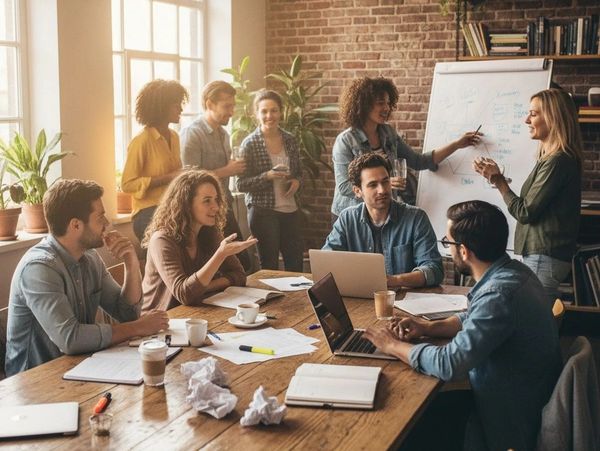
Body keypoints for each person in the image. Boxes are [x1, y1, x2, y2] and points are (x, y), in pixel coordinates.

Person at [364, 200, 562, 450]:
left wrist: (392, 346)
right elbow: (473, 318)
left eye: (448, 243)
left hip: (504, 418)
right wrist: (426, 327)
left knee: (400, 427)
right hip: (516, 396)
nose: (447, 249)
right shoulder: (516, 273)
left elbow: (450, 364)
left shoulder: (498, 295)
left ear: (465, 251)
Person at [5, 179, 169, 376]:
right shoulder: (39, 268)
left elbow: (126, 313)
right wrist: (137, 328)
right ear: (76, 225)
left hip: (79, 367)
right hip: (34, 383)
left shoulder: (89, 257)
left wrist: (131, 264)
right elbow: (70, 339)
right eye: (100, 218)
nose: (107, 224)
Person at [473, 88, 583, 302]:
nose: (526, 120)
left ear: (552, 117)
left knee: (536, 322)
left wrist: (498, 181)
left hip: (544, 258)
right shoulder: (552, 159)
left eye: (533, 114)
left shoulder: (557, 161)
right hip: (543, 257)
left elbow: (525, 211)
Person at [331, 76, 480, 222]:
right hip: (351, 217)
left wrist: (457, 145)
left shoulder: (388, 133)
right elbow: (345, 187)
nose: (386, 108)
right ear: (363, 105)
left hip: (382, 213)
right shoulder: (345, 141)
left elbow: (418, 161)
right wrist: (386, 183)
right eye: (380, 103)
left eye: (388, 103)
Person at [323, 152, 443, 288]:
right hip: (359, 297)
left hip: (404, 301)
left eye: (385, 181)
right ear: (357, 191)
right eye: (373, 185)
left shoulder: (416, 218)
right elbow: (327, 261)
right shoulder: (347, 219)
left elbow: (434, 270)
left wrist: (395, 281)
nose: (382, 190)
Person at [142, 170, 256, 312]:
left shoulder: (209, 232)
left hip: (198, 312)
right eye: (207, 200)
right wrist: (220, 255)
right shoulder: (162, 240)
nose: (215, 207)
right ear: (186, 204)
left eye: (216, 200)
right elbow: (184, 294)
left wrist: (204, 287)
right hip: (162, 321)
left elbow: (239, 276)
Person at [179, 80, 251, 271]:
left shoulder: (224, 135)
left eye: (233, 106)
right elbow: (188, 180)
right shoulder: (192, 134)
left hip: (224, 205)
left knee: (243, 261)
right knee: (229, 264)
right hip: (202, 211)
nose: (232, 112)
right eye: (227, 106)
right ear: (209, 104)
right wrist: (227, 170)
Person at [237, 90, 304, 272]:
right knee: (269, 268)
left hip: (290, 210)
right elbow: (240, 184)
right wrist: (267, 176)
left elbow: (299, 173)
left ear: (281, 112)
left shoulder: (290, 140)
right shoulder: (250, 144)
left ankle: (297, 301)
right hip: (263, 212)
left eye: (274, 110)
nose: (269, 116)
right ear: (256, 114)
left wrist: (297, 182)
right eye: (264, 111)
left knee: (295, 265)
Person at [122, 79, 188, 243]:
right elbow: (127, 184)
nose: (180, 109)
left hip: (171, 209)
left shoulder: (174, 136)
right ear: (162, 107)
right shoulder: (141, 141)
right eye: (176, 105)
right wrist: (168, 177)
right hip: (147, 214)